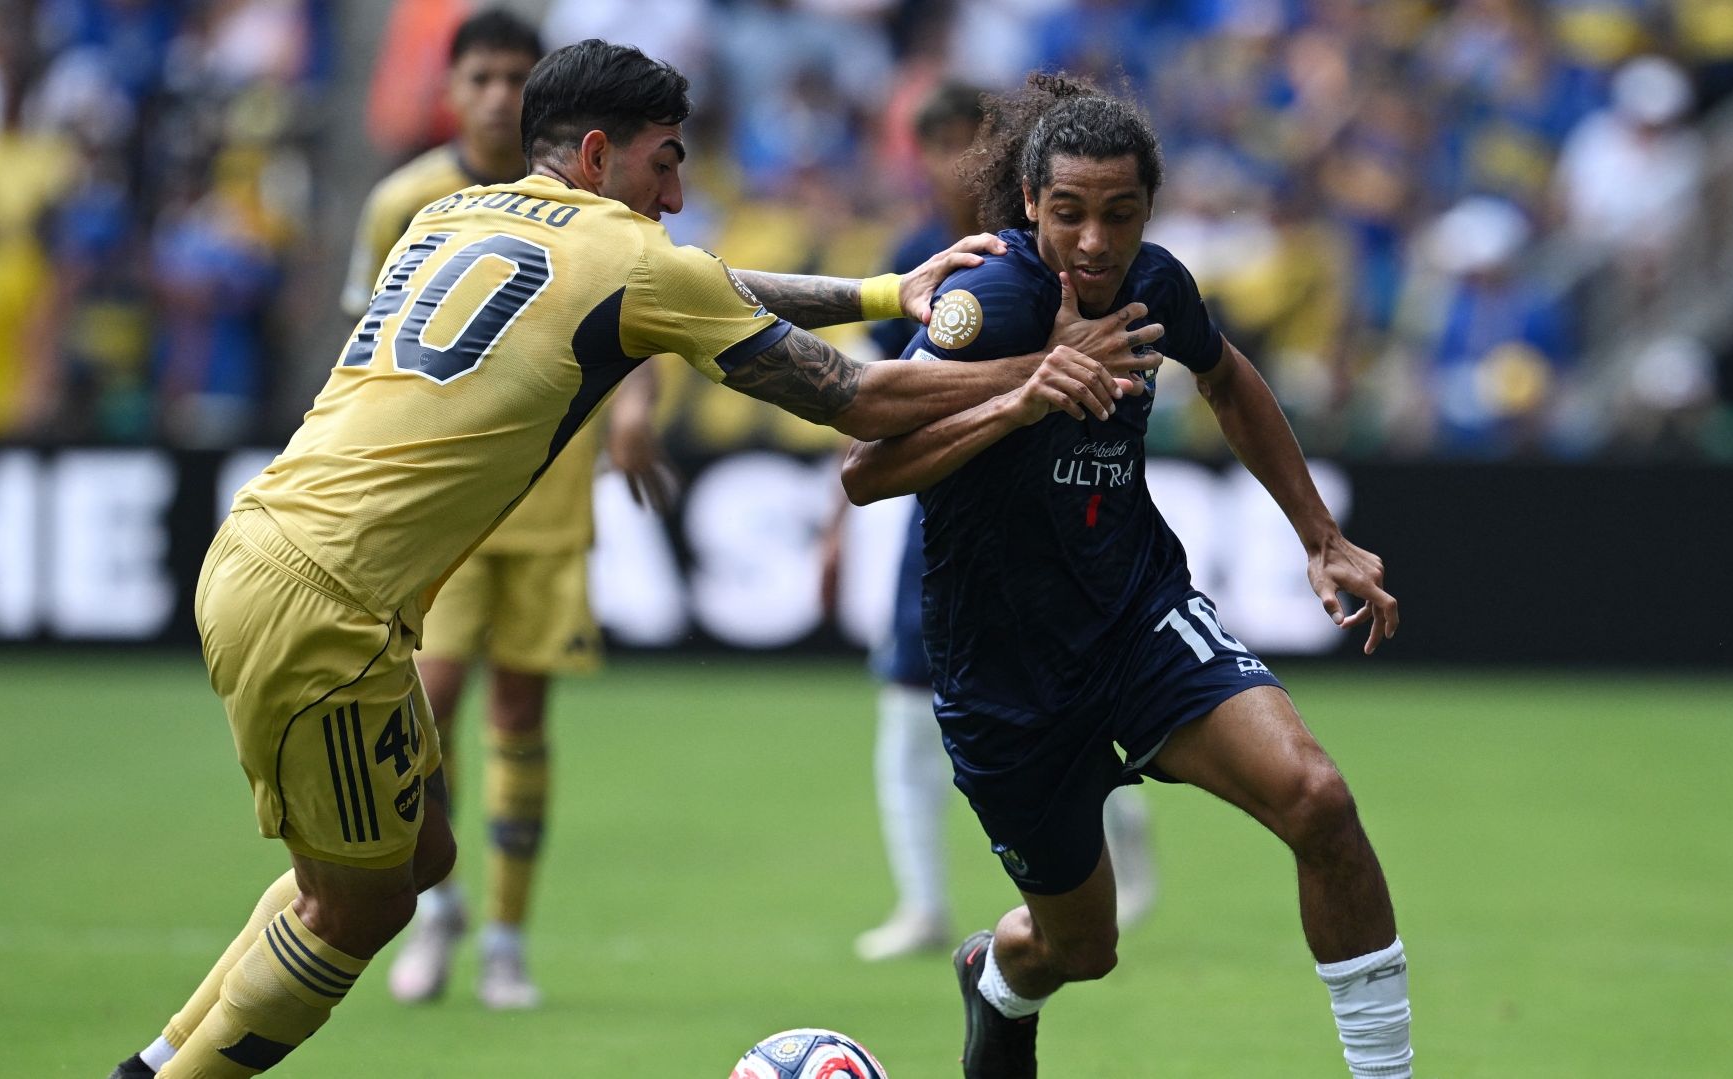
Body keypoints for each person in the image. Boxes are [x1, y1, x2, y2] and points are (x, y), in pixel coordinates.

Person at [106, 40, 1157, 1079]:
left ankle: (151, 1064)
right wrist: (1044, 368)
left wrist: (883, 294)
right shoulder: (632, 261)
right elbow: (861, 398)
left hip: (267, 548)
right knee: (360, 901)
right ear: (601, 153)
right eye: (666, 161)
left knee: (415, 858)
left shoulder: (452, 212)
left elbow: (706, 283)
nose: (680, 190)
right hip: (325, 603)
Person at [842, 73, 1411, 1079]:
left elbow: (1226, 375)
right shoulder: (991, 302)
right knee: (1080, 949)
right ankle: (995, 974)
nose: (1096, 242)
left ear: (1149, 207)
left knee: (1318, 799)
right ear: (1028, 202)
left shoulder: (1158, 282)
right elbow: (865, 470)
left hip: (1138, 618)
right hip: (1005, 675)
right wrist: (1021, 395)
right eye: (1069, 213)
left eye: (1120, 212)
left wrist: (1318, 533)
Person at [340, 7, 665, 1013]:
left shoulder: (602, 201)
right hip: (443, 511)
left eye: (512, 80)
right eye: (479, 77)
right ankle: (436, 912)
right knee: (426, 713)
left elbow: (648, 312)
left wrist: (636, 409)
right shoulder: (405, 198)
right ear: (452, 88)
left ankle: (506, 942)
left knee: (523, 715)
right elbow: (370, 337)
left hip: (549, 498)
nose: (494, 96)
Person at [842, 80, 1157, 963]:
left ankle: (1122, 833)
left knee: (1077, 703)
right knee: (907, 699)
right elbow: (880, 410)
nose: (947, 163)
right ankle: (921, 901)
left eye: (962, 142)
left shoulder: (1062, 261)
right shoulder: (918, 257)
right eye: (933, 143)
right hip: (946, 512)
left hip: (1050, 518)